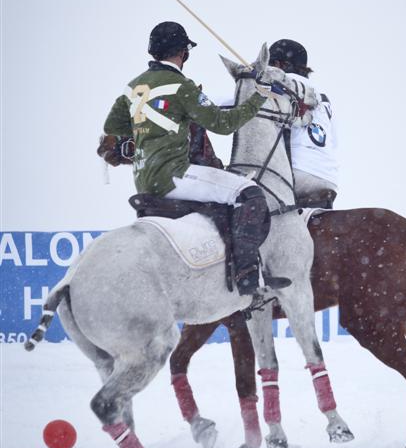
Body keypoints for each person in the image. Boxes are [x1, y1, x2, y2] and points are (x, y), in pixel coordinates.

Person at [99, 21, 289, 296]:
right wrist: (258, 97)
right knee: (249, 192)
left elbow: (112, 130)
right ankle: (247, 274)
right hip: (175, 176)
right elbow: (224, 124)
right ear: (183, 53)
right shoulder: (181, 85)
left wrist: (140, 142)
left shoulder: (133, 88)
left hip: (143, 179)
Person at [268, 39, 339, 209]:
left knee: (239, 196)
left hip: (295, 172)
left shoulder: (278, 85)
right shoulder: (324, 99)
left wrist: (198, 98)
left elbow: (232, 105)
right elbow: (334, 143)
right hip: (328, 178)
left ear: (278, 64)